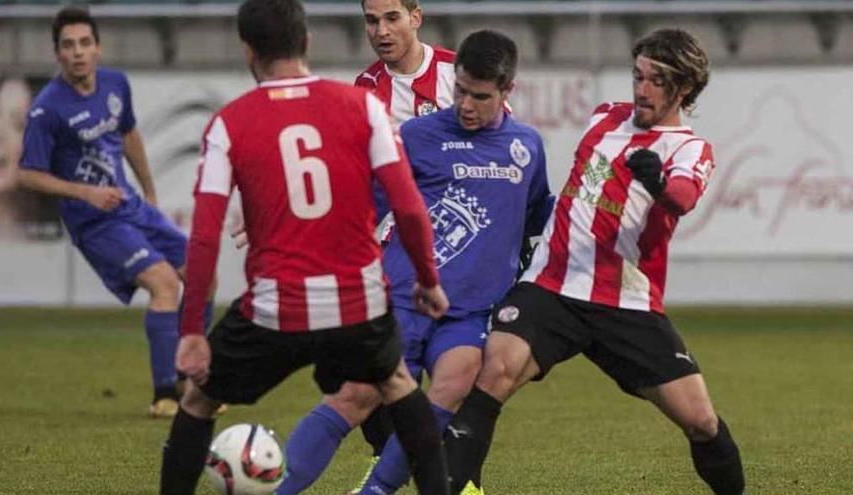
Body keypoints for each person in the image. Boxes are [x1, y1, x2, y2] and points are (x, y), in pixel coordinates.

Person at [158, 1, 452, 494]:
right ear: (307, 42)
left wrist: (192, 331)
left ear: (247, 51)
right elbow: (408, 206)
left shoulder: (230, 123)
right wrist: (428, 281)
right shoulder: (362, 106)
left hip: (276, 308)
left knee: (196, 402)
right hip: (358, 303)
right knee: (399, 385)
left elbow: (206, 236)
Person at [444, 28, 746, 495]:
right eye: (638, 75)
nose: (641, 88)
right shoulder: (605, 117)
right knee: (493, 375)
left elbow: (683, 198)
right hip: (551, 286)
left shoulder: (688, 150)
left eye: (657, 81)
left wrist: (657, 184)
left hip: (625, 301)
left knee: (702, 422)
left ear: (683, 89)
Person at [274, 29, 553, 495]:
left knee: (455, 383)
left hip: (469, 312)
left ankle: (374, 493)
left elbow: (538, 211)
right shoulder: (417, 136)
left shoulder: (526, 146)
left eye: (480, 97)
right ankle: (277, 489)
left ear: (508, 90)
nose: (466, 104)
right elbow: (362, 205)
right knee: (357, 395)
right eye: (461, 90)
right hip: (404, 297)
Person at [17, 6, 213, 418]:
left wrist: (150, 191)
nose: (78, 53)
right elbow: (28, 175)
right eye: (68, 45)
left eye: (85, 43)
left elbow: (128, 135)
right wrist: (83, 193)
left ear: (98, 48)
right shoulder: (47, 109)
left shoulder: (114, 84)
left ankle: (191, 375)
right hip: (93, 222)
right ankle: (166, 395)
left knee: (202, 275)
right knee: (163, 283)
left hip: (131, 206)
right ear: (57, 53)